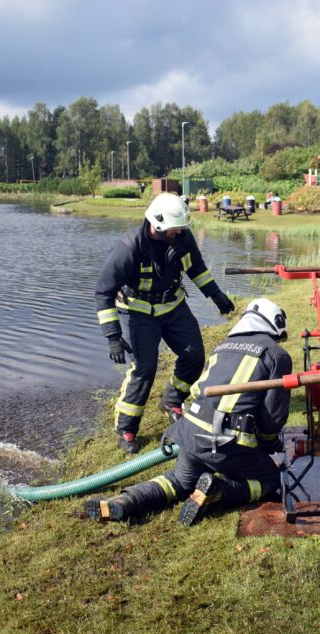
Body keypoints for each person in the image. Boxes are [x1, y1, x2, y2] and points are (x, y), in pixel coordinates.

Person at [82, 298, 292, 524]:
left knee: (177, 481)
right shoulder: (277, 355)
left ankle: (123, 502)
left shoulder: (222, 347)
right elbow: (272, 416)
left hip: (191, 432)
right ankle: (220, 490)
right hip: (228, 444)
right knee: (271, 480)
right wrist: (269, 443)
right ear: (274, 326)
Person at [95, 192, 235, 454]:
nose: (178, 233)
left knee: (194, 356)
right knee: (145, 368)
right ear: (156, 225)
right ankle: (126, 428)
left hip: (173, 306)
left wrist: (215, 294)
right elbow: (103, 292)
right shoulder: (129, 248)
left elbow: (196, 268)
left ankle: (172, 401)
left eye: (181, 229)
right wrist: (112, 336)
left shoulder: (181, 237)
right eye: (174, 229)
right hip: (138, 313)